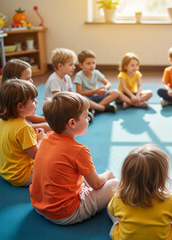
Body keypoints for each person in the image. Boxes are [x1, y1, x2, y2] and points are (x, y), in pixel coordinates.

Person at [29, 92, 119, 225]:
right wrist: (107, 175)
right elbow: (97, 184)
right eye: (85, 116)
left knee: (80, 175)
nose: (88, 119)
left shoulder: (47, 137)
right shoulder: (79, 151)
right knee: (115, 184)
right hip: (64, 214)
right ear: (72, 123)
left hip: (39, 206)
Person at [108, 144, 172, 239]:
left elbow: (112, 211)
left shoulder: (119, 197)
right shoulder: (168, 199)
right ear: (161, 179)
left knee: (111, 210)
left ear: (126, 176)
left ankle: (120, 224)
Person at [0, 79, 45, 186]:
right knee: (55, 159)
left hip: (6, 172)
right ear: (20, 106)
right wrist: (40, 138)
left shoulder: (3, 121)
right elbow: (37, 155)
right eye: (32, 100)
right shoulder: (24, 127)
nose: (36, 102)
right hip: (23, 177)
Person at [0, 59, 50, 133]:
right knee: (47, 127)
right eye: (28, 78)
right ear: (15, 81)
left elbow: (29, 116)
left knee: (45, 126)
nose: (31, 81)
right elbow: (30, 117)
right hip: (5, 129)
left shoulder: (22, 92)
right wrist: (50, 120)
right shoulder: (14, 95)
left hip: (17, 123)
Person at [43, 48, 103, 119]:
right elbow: (58, 99)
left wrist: (79, 100)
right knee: (72, 109)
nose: (74, 67)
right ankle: (102, 108)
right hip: (55, 108)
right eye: (71, 65)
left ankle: (97, 109)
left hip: (63, 103)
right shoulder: (54, 79)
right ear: (60, 66)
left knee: (82, 98)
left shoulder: (67, 77)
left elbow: (72, 93)